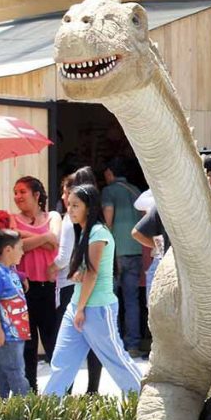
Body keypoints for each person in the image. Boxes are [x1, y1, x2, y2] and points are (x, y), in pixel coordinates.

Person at [43, 184, 142, 397]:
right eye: (69, 204)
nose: (70, 209)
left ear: (89, 208)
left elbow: (92, 273)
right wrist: (77, 285)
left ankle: (144, 399)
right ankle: (48, 406)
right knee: (61, 362)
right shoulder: (85, 232)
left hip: (96, 309)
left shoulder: (98, 232)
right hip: (78, 307)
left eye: (75, 205)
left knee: (116, 360)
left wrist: (80, 309)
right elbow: (86, 271)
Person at [48, 168, 103, 393]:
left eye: (65, 191)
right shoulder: (95, 222)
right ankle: (92, 392)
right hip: (87, 285)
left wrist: (49, 268)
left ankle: (66, 392)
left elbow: (64, 257)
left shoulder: (70, 220)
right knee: (93, 342)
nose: (63, 197)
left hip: (70, 285)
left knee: (67, 343)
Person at [12, 176, 62, 391]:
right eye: (15, 192)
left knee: (54, 341)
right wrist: (44, 237)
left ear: (36, 195)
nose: (17, 196)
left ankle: (61, 391)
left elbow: (56, 241)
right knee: (28, 345)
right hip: (24, 289)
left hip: (50, 288)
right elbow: (18, 247)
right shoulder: (12, 219)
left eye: (22, 192)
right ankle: (30, 392)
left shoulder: (53, 216)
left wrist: (25, 236)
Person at [101, 158, 144, 359]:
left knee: (112, 299)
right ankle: (133, 345)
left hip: (115, 253)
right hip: (136, 251)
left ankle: (114, 343)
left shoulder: (109, 191)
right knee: (132, 300)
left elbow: (108, 219)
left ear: (110, 172)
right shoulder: (136, 191)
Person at [0, 230, 31, 397]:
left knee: (4, 376)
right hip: (7, 336)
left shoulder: (10, 271)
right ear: (8, 250)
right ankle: (29, 408)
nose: (23, 252)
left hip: (16, 335)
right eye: (20, 248)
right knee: (16, 374)